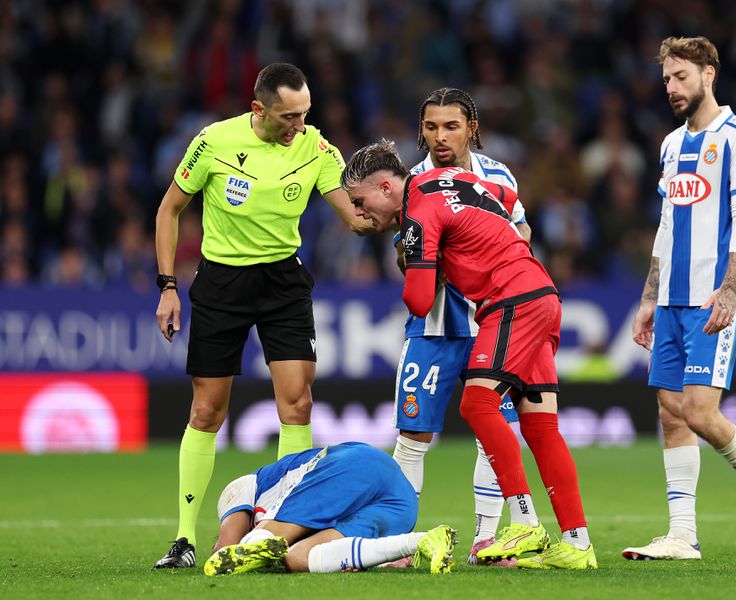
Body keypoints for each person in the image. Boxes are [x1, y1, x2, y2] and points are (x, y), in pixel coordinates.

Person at [152, 63, 373, 569]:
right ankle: (184, 539)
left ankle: (278, 531)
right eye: (289, 117)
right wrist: (167, 287)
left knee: (298, 403)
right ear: (258, 109)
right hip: (222, 283)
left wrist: (403, 216)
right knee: (207, 411)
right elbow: (169, 210)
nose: (299, 126)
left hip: (282, 283)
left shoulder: (317, 149)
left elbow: (356, 218)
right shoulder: (213, 142)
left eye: (305, 114)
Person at [341, 140, 597, 570]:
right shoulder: (452, 177)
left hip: (510, 300)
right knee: (540, 427)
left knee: (476, 405)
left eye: (360, 202)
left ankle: (525, 522)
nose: (358, 213)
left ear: (386, 187)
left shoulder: (416, 213)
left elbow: (420, 300)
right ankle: (577, 543)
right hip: (542, 293)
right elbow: (508, 202)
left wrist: (422, 256)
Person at [623, 36, 736, 561]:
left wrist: (730, 288)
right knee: (671, 412)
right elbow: (667, 224)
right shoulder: (671, 145)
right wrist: (649, 296)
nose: (672, 87)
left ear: (708, 74)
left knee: (698, 411)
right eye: (666, 79)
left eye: (681, 77)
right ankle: (682, 535)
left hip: (714, 296)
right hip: (670, 298)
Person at [391, 87, 532, 566]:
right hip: (433, 325)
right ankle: (399, 542)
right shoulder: (412, 181)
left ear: (471, 128)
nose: (440, 137)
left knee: (493, 431)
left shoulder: (499, 175)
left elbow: (522, 229)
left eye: (451, 126)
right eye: (431, 127)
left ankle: (486, 541)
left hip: (491, 321)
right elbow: (404, 256)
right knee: (413, 436)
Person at [204, 442, 457, 575]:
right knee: (297, 558)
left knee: (269, 537)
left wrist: (232, 544)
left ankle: (258, 542)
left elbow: (225, 550)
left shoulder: (241, 488)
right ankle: (422, 540)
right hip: (400, 504)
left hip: (355, 464)